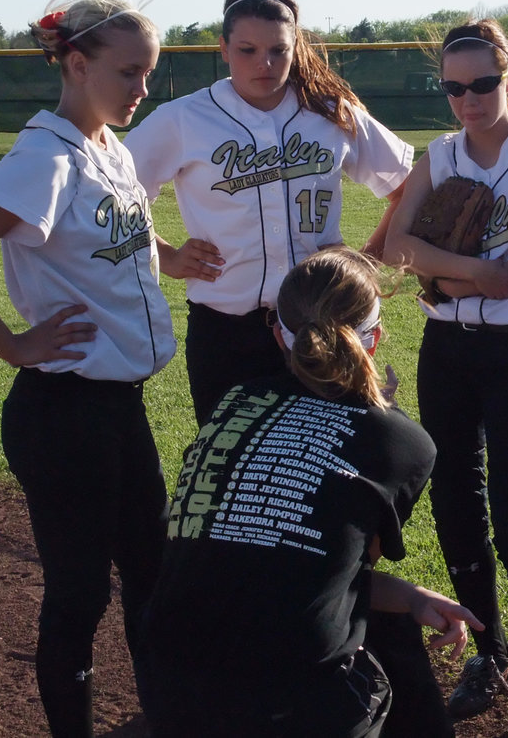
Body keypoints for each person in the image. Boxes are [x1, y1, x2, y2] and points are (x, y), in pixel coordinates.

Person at [0, 0, 174, 737]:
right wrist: (13, 345)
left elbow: (110, 239)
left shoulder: (107, 146)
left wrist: (173, 257)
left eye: (149, 74)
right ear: (75, 63)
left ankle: (166, 719)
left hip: (116, 408)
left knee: (151, 576)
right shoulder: (47, 156)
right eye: (129, 72)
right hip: (64, 411)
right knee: (79, 595)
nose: (142, 89)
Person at [134, 246, 479, 737]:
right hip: (286, 706)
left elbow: (302, 577)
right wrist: (407, 601)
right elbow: (346, 580)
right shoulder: (402, 442)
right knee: (391, 637)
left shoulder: (236, 400)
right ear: (374, 339)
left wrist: (412, 596)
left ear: (278, 334)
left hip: (165, 686)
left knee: (388, 618)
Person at [383, 19, 508, 738]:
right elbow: (398, 247)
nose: (467, 99)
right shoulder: (438, 154)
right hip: (447, 347)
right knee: (454, 503)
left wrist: (450, 270)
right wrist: (474, 271)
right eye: (452, 86)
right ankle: (491, 654)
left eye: (483, 83)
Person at [124, 0, 414, 425]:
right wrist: (167, 255)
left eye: (279, 50)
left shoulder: (331, 112)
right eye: (247, 49)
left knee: (324, 458)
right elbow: (113, 195)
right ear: (222, 48)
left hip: (326, 323)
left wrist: (365, 263)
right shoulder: (184, 118)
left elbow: (406, 187)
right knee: (229, 462)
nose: (265, 63)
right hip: (227, 328)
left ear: (296, 46)